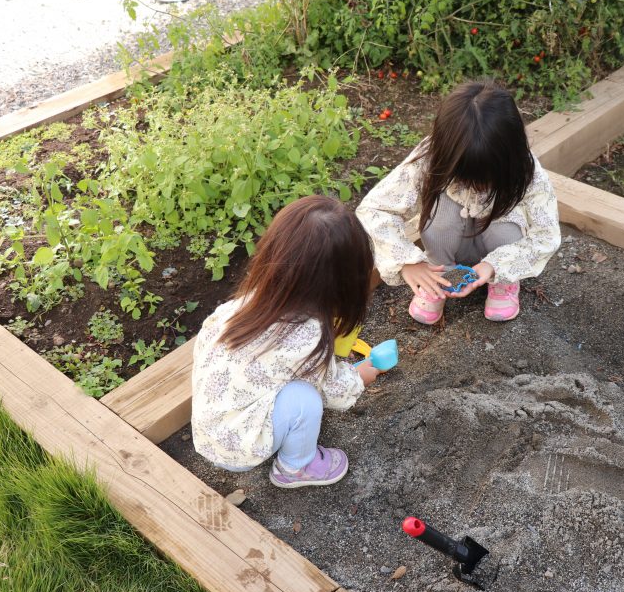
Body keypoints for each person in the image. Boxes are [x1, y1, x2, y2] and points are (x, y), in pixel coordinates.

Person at [190, 196, 380, 488]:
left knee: (294, 389)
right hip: (238, 450)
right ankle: (295, 468)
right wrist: (362, 375)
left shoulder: (242, 305)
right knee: (304, 400)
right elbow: (333, 393)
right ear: (342, 283)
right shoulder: (308, 335)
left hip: (208, 427)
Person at [356, 81, 560, 324]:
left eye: (487, 180)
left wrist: (493, 266)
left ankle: (504, 281)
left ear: (511, 157)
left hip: (498, 249)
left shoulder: (527, 171)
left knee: (506, 227)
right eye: (466, 178)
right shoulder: (430, 158)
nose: (477, 187)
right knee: (439, 216)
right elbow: (374, 209)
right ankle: (438, 277)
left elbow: (546, 235)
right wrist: (408, 263)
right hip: (451, 243)